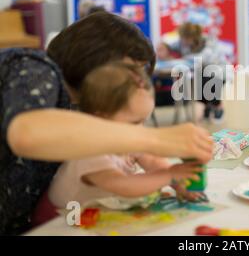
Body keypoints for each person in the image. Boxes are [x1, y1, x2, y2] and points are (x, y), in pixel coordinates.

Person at [0, 12, 213, 235]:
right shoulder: (35, 69)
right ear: (94, 59)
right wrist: (158, 139)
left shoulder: (84, 108)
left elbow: (146, 157)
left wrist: (175, 176)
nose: (135, 84)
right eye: (129, 75)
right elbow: (28, 133)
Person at [32, 62, 203, 225]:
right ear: (100, 117)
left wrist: (178, 183)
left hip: (93, 213)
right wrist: (169, 175)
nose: (141, 129)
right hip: (58, 221)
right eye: (135, 122)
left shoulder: (130, 138)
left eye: (144, 120)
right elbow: (124, 185)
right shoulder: (89, 150)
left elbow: (152, 162)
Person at [156, 22, 228, 123]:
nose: (183, 41)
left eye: (186, 39)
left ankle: (217, 106)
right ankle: (208, 105)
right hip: (198, 73)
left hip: (217, 72)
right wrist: (163, 48)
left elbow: (201, 59)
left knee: (204, 86)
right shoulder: (181, 42)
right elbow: (168, 46)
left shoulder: (209, 42)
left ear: (195, 37)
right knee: (191, 87)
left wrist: (177, 59)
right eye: (182, 38)